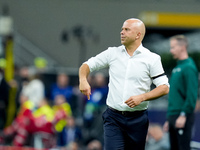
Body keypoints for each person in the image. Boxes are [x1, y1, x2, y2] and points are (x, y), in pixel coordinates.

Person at [79, 18, 169, 150]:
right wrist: (83, 79)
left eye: (127, 29)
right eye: (122, 29)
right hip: (113, 118)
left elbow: (164, 87)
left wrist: (142, 97)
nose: (122, 32)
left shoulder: (152, 59)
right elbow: (86, 65)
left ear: (138, 35)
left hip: (138, 119)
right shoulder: (112, 53)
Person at [163, 35, 198, 150]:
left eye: (173, 47)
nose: (171, 50)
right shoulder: (177, 68)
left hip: (182, 116)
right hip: (173, 116)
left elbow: (192, 95)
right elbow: (174, 95)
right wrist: (169, 119)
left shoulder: (189, 67)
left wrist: (183, 114)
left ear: (182, 47)